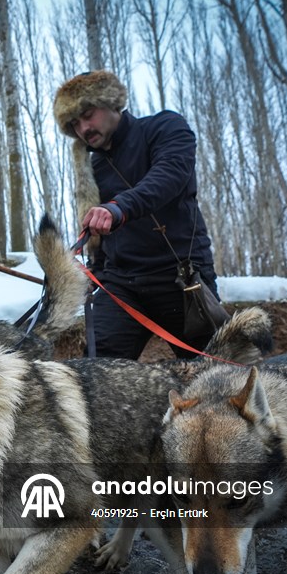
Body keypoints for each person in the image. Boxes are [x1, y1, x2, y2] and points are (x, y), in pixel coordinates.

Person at [52, 70, 222, 359]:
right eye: (74, 124)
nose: (83, 128)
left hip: (181, 278)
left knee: (214, 373)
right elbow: (103, 238)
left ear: (111, 103)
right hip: (122, 286)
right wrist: (96, 269)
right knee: (98, 375)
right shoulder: (92, 168)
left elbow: (168, 176)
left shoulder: (165, 127)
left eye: (88, 114)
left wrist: (118, 208)